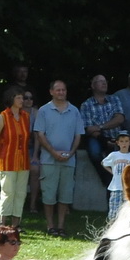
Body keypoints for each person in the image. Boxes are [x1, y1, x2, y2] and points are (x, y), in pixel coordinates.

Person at [33, 80, 82, 237]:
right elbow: (40, 134)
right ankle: (50, 226)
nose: (61, 92)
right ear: (51, 92)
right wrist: (53, 152)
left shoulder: (74, 111)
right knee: (48, 194)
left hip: (69, 160)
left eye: (63, 90)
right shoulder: (44, 110)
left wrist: (72, 152)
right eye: (58, 90)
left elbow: (78, 135)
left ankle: (61, 226)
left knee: (65, 195)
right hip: (49, 159)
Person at [0, 87, 32, 227]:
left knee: (21, 193)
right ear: (11, 99)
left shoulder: (25, 116)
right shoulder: (3, 116)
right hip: (6, 160)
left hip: (23, 161)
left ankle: (15, 225)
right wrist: (0, 154)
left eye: (22, 98)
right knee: (7, 192)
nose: (22, 100)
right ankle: (2, 225)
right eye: (19, 98)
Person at [100, 133, 130, 221]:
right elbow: (104, 163)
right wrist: (112, 172)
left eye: (126, 141)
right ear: (118, 143)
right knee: (114, 212)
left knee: (127, 211)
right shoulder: (114, 155)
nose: (124, 144)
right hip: (116, 187)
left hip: (128, 188)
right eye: (122, 141)